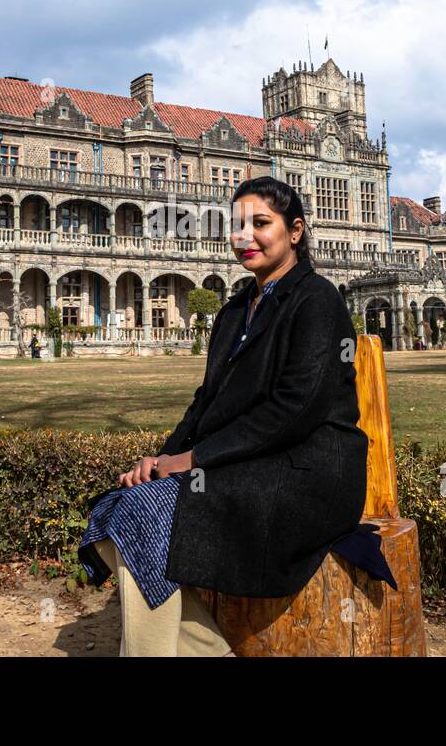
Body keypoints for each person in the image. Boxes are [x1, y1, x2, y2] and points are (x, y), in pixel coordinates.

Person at [77, 176, 371, 656]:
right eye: (237, 225)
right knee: (125, 510)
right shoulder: (236, 310)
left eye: (260, 223)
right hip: (250, 461)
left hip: (309, 470)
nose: (245, 237)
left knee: (142, 517)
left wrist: (193, 461)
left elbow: (294, 409)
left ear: (295, 231)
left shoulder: (318, 300)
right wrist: (163, 457)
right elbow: (207, 400)